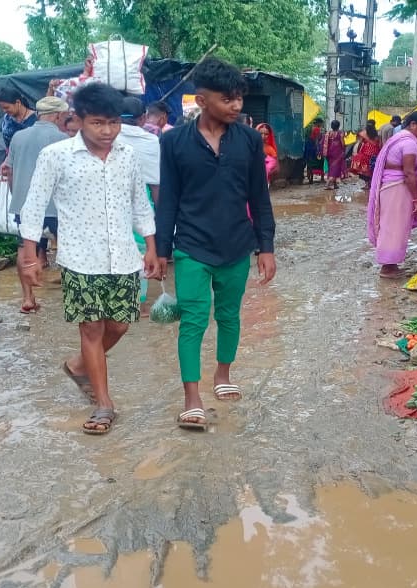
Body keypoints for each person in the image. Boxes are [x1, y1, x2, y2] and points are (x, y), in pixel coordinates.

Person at [19, 83, 157, 436]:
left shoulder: (126, 154)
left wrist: (152, 247)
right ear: (76, 120)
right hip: (80, 258)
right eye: (98, 123)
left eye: (113, 123)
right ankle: (104, 403)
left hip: (124, 257)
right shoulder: (57, 155)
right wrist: (30, 254)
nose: (107, 131)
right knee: (91, 328)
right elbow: (34, 205)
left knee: (121, 325)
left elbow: (139, 204)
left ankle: (79, 365)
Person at [156, 57, 276, 430]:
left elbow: (259, 196)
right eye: (228, 99)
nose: (237, 106)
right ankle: (192, 398)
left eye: (239, 98)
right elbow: (169, 199)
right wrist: (161, 250)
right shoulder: (173, 141)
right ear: (202, 99)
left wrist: (266, 247)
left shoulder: (250, 140)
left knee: (228, 315)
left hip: (237, 244)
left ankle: (222, 374)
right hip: (191, 245)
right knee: (192, 320)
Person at [5, 95, 68, 313]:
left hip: (24, 204)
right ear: (59, 115)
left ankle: (28, 298)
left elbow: (9, 171)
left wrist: (17, 197)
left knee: (24, 248)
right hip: (56, 206)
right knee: (68, 247)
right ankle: (71, 296)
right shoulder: (63, 139)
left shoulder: (18, 137)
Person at [366, 111, 417, 280]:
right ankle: (388, 268)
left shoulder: (402, 139)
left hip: (392, 187)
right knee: (395, 227)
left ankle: (391, 264)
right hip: (398, 188)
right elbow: (409, 173)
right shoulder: (409, 144)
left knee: (392, 226)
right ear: (413, 124)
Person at [119, 96, 162, 201]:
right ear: (143, 118)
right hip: (143, 200)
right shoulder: (152, 141)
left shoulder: (107, 137)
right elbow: (155, 183)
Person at [349, 121, 380, 186]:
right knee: (372, 167)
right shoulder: (377, 133)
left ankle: (367, 183)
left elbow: (359, 143)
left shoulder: (363, 133)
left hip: (365, 152)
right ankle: (370, 182)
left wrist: (356, 153)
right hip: (375, 153)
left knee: (362, 168)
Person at [322, 119, 346, 190]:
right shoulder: (340, 133)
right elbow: (343, 143)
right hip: (337, 154)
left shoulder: (328, 133)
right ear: (338, 126)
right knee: (334, 169)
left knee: (333, 168)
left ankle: (335, 184)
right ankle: (327, 184)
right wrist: (344, 149)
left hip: (329, 153)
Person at [303, 117, 324, 184]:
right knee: (320, 162)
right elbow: (316, 140)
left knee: (310, 163)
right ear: (319, 123)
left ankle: (310, 178)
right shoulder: (317, 129)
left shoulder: (309, 128)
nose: (321, 125)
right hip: (314, 147)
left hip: (308, 146)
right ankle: (322, 178)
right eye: (321, 124)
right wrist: (318, 149)